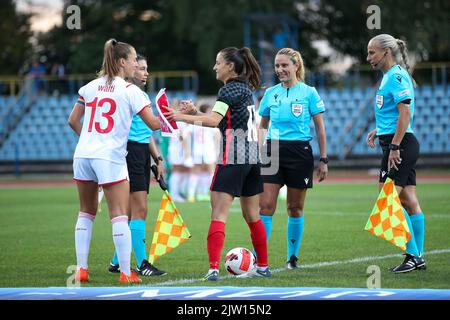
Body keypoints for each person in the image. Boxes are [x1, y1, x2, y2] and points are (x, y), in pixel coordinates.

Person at [166, 47, 271, 280]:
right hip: (252, 158)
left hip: (233, 156)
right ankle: (263, 266)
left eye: (218, 63)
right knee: (253, 216)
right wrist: (195, 111)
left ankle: (213, 268)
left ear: (230, 66)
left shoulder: (227, 90)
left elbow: (214, 121)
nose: (215, 67)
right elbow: (228, 120)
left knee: (218, 214)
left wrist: (181, 117)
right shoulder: (245, 89)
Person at [68, 39, 160, 284]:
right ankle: (126, 272)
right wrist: (180, 116)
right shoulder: (131, 91)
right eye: (132, 61)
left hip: (84, 154)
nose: (135, 65)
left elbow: (72, 120)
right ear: (122, 62)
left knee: (85, 213)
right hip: (110, 156)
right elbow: (154, 124)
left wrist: (92, 139)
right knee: (119, 214)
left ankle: (81, 270)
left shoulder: (89, 87)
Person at [258, 48, 328, 269]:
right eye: (277, 66)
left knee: (294, 208)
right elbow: (262, 125)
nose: (280, 70)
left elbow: (320, 128)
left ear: (296, 66)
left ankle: (292, 257)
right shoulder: (270, 93)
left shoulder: (309, 93)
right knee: (265, 206)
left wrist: (323, 159)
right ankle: (260, 259)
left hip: (300, 153)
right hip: (273, 151)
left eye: (284, 65)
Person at [366, 34, 426, 273]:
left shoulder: (396, 76)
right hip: (394, 141)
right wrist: (378, 130)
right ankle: (418, 257)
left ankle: (412, 254)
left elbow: (405, 115)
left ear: (386, 53)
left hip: (399, 146)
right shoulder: (388, 77)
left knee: (386, 200)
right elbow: (394, 115)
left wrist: (394, 146)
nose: (369, 57)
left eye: (372, 52)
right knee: (409, 201)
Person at [108, 54, 167, 277]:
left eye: (146, 68)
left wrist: (158, 159)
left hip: (140, 151)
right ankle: (142, 263)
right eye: (141, 68)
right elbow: (149, 127)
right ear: (130, 68)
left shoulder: (138, 94)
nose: (145, 72)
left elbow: (146, 131)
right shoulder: (126, 93)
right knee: (139, 209)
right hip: (130, 151)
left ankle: (116, 262)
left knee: (133, 211)